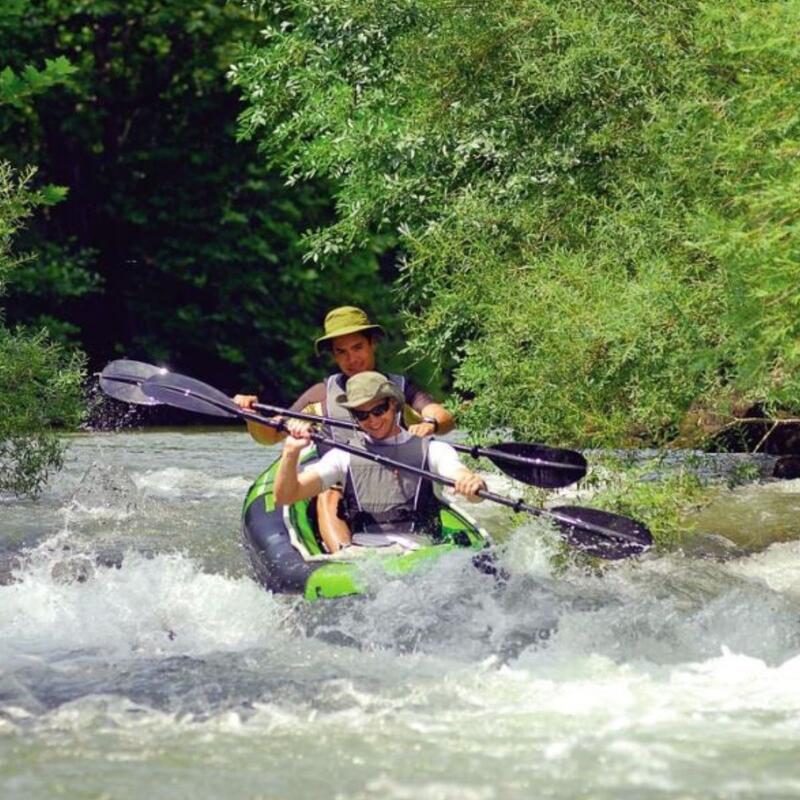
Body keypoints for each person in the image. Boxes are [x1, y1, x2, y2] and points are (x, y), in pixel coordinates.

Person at [234, 306, 455, 551]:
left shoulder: (398, 388)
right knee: (332, 489)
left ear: (372, 344)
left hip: (395, 481)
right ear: (334, 356)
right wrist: (251, 416)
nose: (352, 359)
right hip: (338, 482)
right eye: (342, 352)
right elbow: (271, 435)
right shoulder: (319, 395)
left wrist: (429, 423)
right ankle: (346, 556)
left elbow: (442, 416)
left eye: (357, 348)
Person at [273, 371, 486, 551]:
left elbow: (464, 481)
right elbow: (286, 496)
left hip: (419, 554)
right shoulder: (342, 456)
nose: (372, 421)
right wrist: (291, 452)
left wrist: (471, 482)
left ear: (393, 404)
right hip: (364, 557)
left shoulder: (432, 450)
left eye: (378, 410)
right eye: (362, 415)